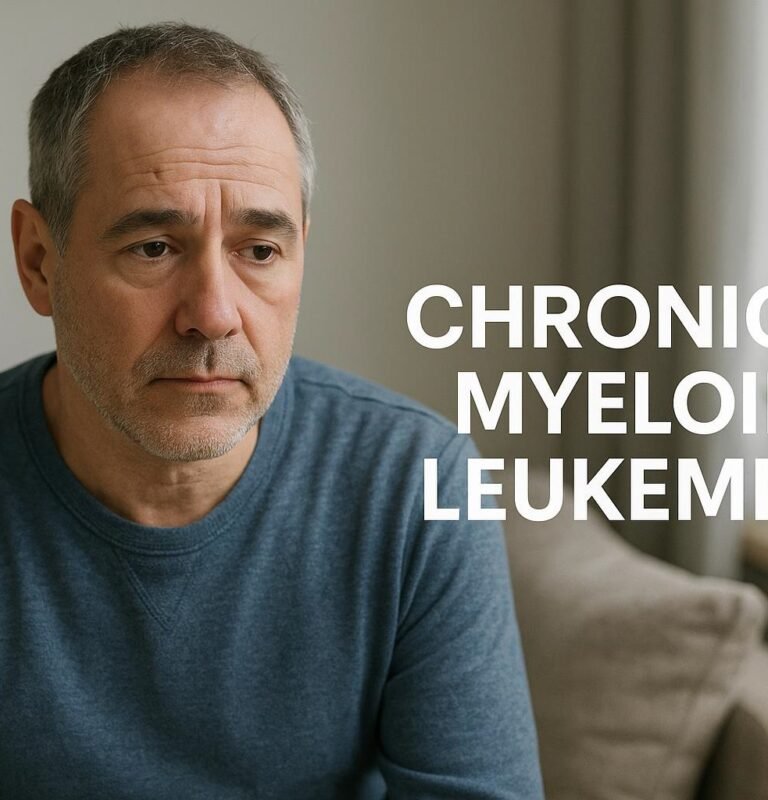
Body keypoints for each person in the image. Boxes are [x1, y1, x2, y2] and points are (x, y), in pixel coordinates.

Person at [0, 22, 544, 799]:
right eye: (153, 247)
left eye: (259, 250)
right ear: (38, 262)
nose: (213, 315)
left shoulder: (416, 484)